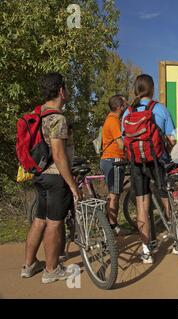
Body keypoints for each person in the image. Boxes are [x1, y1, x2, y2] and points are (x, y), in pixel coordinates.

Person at [21, 72, 83, 283]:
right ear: (60, 91)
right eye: (65, 89)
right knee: (54, 223)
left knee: (39, 220)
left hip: (40, 176)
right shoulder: (58, 118)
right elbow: (58, 155)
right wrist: (72, 184)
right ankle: (51, 270)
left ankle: (28, 266)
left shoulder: (37, 114)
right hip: (56, 178)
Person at [121, 74, 176, 263]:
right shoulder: (160, 109)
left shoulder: (127, 113)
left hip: (137, 164)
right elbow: (172, 138)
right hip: (158, 161)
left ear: (136, 89)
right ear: (152, 89)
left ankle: (146, 251)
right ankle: (177, 242)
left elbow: (124, 142)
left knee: (141, 206)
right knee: (167, 199)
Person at [100, 95, 128, 235]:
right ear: (119, 107)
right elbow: (120, 144)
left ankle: (108, 225)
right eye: (124, 104)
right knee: (114, 194)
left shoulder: (109, 119)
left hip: (108, 159)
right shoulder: (114, 120)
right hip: (114, 160)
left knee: (112, 193)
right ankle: (113, 227)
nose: (126, 106)